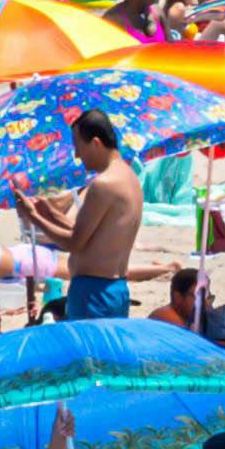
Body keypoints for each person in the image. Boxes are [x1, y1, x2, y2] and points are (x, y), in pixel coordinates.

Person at [44, 113, 146, 323]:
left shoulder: (104, 184)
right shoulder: (129, 177)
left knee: (88, 356)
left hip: (93, 293)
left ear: (96, 143)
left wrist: (34, 218)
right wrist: (50, 214)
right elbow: (90, 232)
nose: (77, 155)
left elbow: (75, 242)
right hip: (115, 289)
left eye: (78, 146)